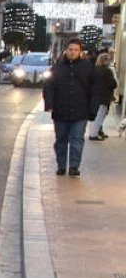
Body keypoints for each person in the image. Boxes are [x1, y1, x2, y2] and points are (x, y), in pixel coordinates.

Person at [43, 40, 98, 177]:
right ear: (66, 50)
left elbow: (95, 88)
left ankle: (74, 166)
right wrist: (49, 104)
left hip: (80, 111)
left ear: (80, 51)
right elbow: (48, 86)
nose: (73, 52)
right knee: (61, 140)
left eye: (75, 50)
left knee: (77, 140)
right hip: (61, 110)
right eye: (70, 49)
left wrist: (93, 109)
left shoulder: (88, 67)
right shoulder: (58, 67)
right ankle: (61, 166)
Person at [89, 52, 118, 141]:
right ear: (104, 61)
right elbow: (112, 84)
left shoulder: (94, 69)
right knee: (100, 115)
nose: (109, 61)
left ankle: (93, 132)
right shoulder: (107, 71)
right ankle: (93, 134)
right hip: (104, 96)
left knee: (96, 116)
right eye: (108, 60)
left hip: (95, 96)